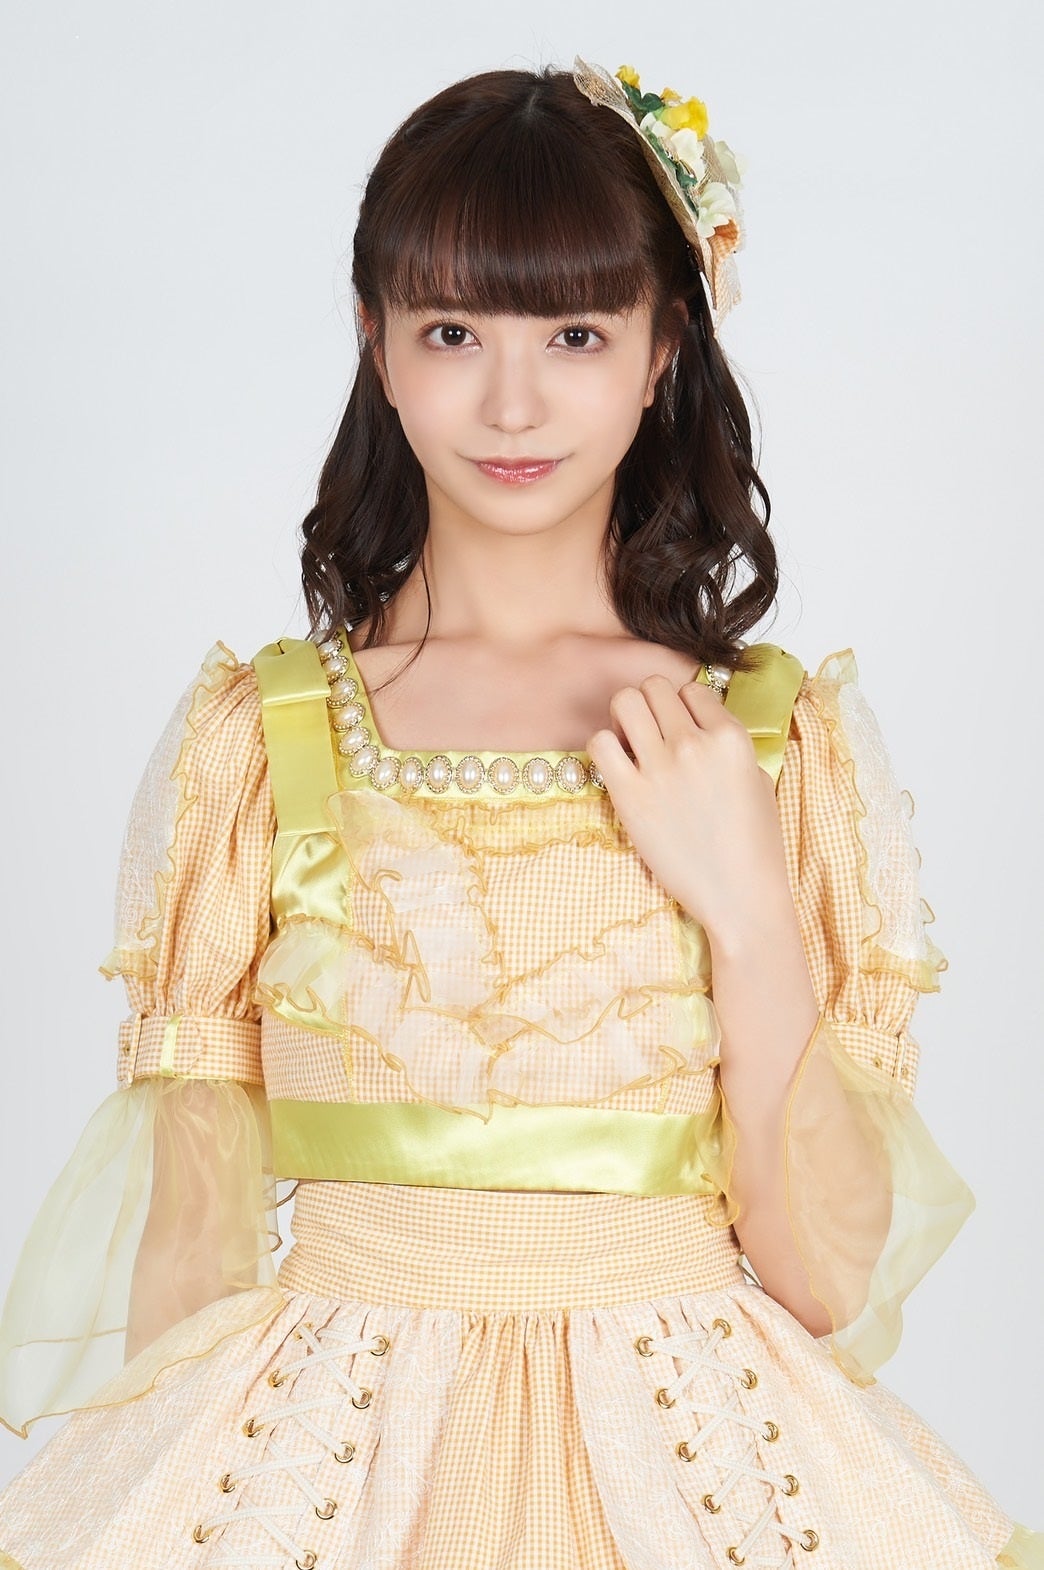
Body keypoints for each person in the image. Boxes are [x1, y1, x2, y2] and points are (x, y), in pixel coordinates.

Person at [0, 53, 1038, 1570]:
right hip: (337, 1464)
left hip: (683, 1464)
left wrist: (748, 907)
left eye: (575, 333)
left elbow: (826, 1284)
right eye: (452, 331)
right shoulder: (260, 741)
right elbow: (189, 1282)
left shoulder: (771, 745)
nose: (511, 400)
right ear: (376, 343)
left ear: (663, 347)